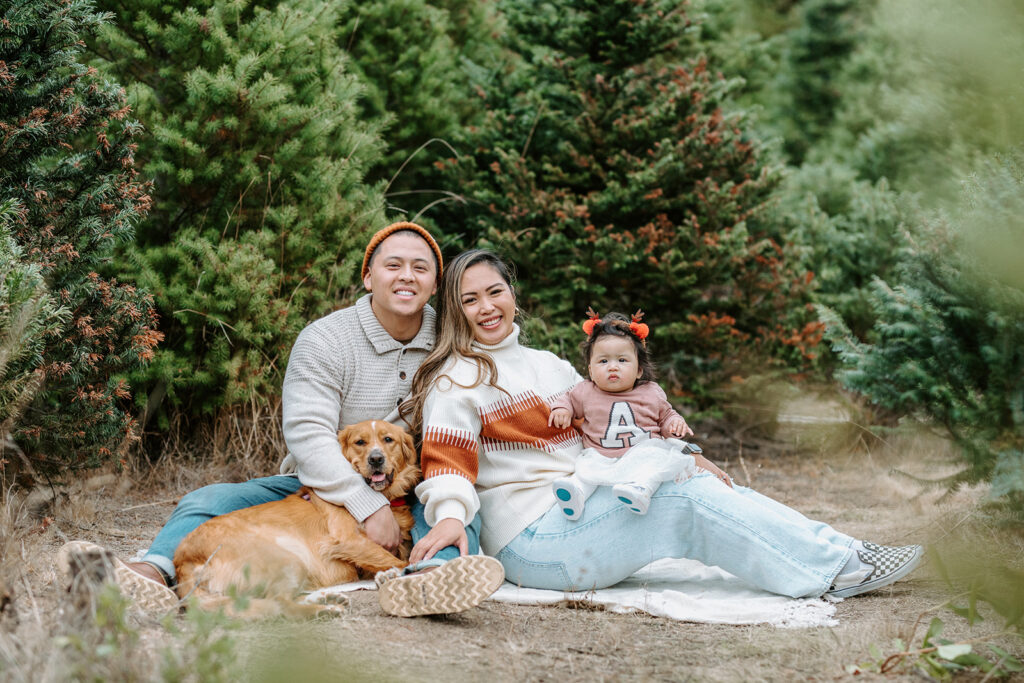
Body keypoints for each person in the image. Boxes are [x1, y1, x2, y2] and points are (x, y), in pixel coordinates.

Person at [376, 248, 922, 607]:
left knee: (696, 482)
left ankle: (841, 550)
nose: (486, 307)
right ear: (455, 310)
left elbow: (620, 429)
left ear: (512, 293)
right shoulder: (457, 379)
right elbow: (448, 466)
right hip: (534, 541)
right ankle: (836, 569)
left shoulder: (552, 367)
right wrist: (448, 518)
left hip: (586, 508)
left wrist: (680, 454)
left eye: (495, 291)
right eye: (469, 299)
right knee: (680, 504)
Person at [61, 222, 504, 616]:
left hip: (413, 479)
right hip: (322, 481)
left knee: (453, 503)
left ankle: (429, 579)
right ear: (368, 276)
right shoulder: (327, 339)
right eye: (394, 265)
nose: (407, 276)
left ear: (435, 285)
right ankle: (151, 573)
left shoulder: (451, 338)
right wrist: (367, 505)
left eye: (420, 268)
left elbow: (500, 374)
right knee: (211, 498)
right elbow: (308, 437)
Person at [547, 308, 712, 520]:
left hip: (642, 453)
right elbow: (567, 399)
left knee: (655, 463)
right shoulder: (585, 391)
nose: (613, 367)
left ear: (639, 370)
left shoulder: (651, 392)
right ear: (590, 370)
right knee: (585, 468)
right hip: (601, 455)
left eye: (622, 361)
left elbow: (666, 415)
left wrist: (675, 423)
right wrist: (562, 409)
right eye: (603, 361)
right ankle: (575, 494)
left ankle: (640, 491)